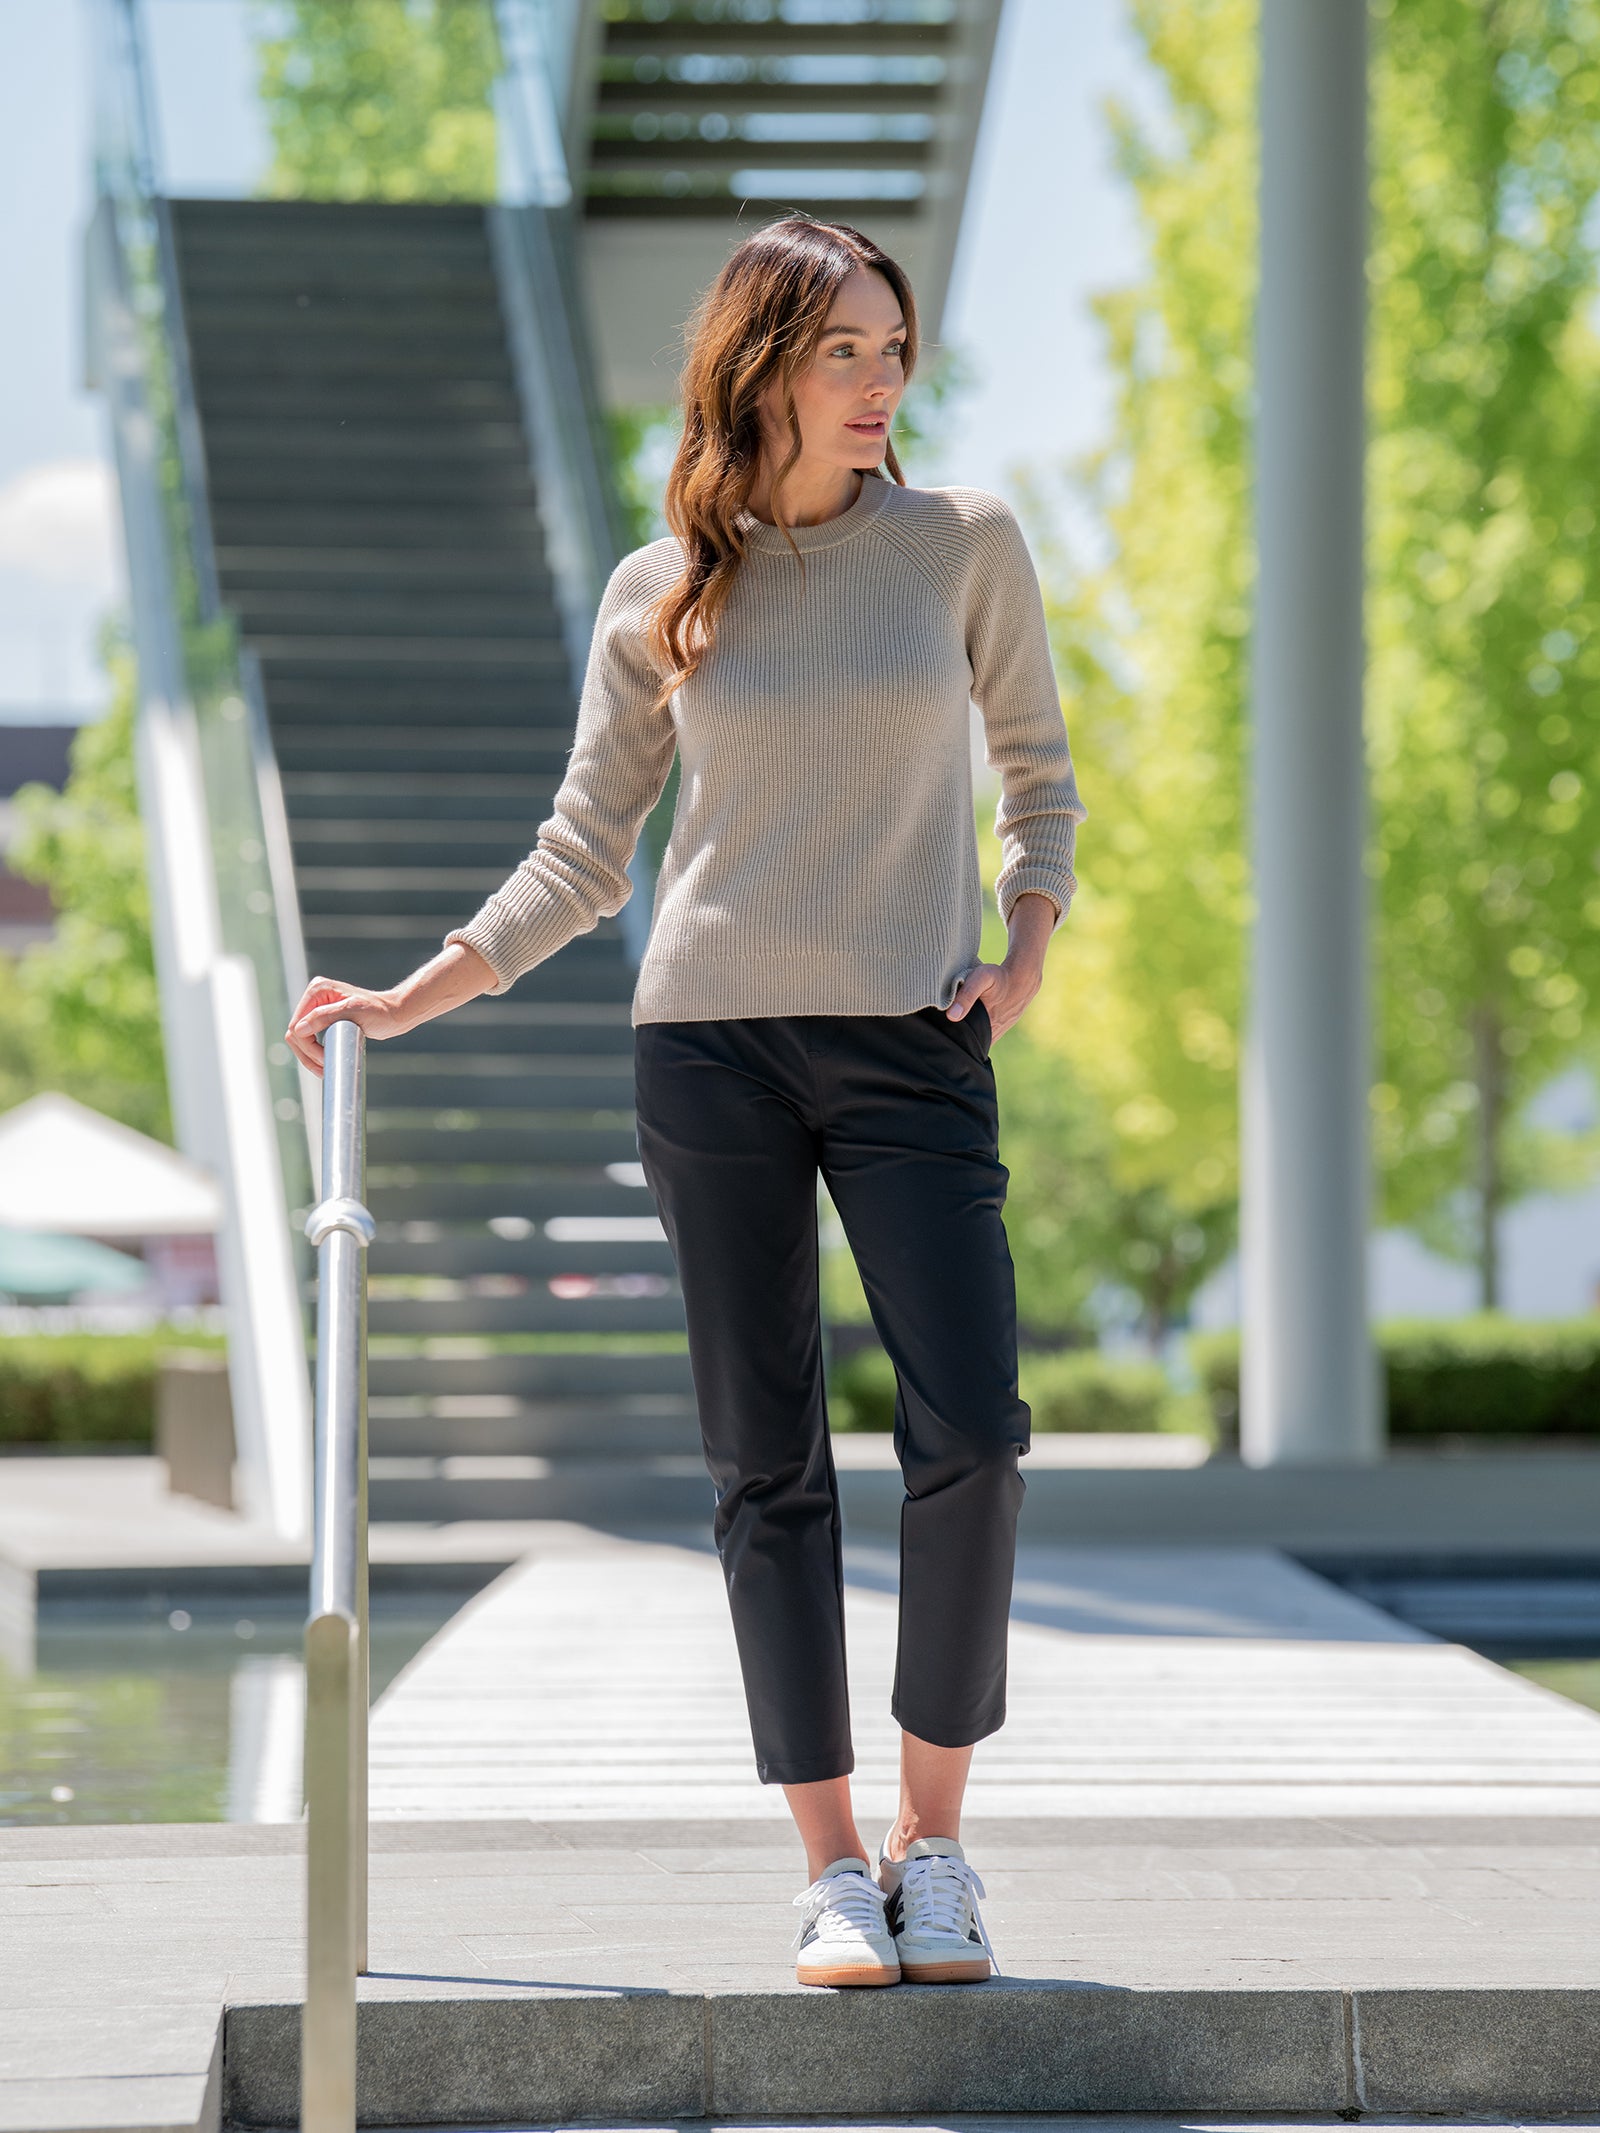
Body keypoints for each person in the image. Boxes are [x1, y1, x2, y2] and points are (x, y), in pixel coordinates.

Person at [287, 214, 1085, 1989]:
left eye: (896, 348)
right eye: (846, 352)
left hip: (910, 1041)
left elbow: (1040, 774)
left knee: (973, 1433)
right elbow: (587, 851)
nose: (884, 383)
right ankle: (826, 1866)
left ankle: (934, 1841)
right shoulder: (664, 590)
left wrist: (1022, 952)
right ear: (761, 366)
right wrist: (416, 992)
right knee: (763, 1464)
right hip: (709, 1050)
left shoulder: (963, 545)